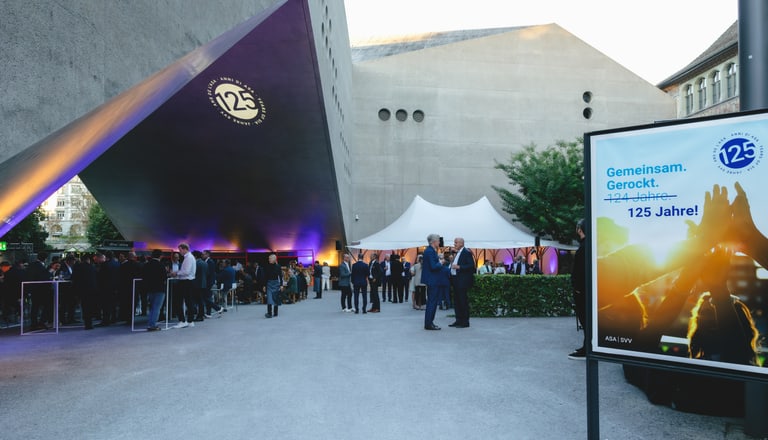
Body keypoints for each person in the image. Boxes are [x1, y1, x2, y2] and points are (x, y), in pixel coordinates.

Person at [422, 234, 448, 330]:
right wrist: (441, 262)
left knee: (432, 302)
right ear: (433, 242)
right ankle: (429, 323)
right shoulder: (430, 251)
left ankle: (429, 323)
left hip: (432, 280)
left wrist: (438, 258)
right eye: (438, 240)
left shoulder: (430, 251)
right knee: (432, 302)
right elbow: (433, 267)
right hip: (433, 280)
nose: (439, 242)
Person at [568, 219, 586, 359]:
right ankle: (588, 347)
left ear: (580, 229)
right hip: (584, 291)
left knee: (585, 321)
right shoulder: (589, 246)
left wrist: (578, 289)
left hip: (582, 293)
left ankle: (587, 349)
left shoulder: (583, 249)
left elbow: (580, 272)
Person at [450, 237, 475, 328]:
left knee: (462, 301)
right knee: (457, 301)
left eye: (456, 242)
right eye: (454, 242)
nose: (454, 244)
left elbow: (471, 266)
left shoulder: (466, 252)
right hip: (456, 280)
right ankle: (458, 320)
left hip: (462, 281)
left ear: (461, 243)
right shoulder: (458, 253)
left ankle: (465, 322)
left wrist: (459, 267)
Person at [171, 243, 196, 328]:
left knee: (178, 301)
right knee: (189, 302)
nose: (179, 252)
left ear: (185, 249)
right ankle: (190, 321)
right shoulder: (190, 257)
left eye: (180, 250)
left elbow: (186, 271)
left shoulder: (188, 258)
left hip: (185, 282)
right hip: (189, 281)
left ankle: (182, 321)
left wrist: (176, 273)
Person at [142, 249, 167, 331]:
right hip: (159, 289)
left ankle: (150, 323)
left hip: (150, 288)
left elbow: (144, 276)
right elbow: (164, 277)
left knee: (152, 307)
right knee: (157, 307)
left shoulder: (147, 265)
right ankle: (152, 325)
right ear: (160, 256)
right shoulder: (161, 265)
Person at [71, 254, 98, 330]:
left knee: (85, 306)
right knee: (90, 306)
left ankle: (87, 323)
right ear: (88, 260)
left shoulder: (77, 267)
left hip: (82, 290)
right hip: (92, 289)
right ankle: (89, 323)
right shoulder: (92, 267)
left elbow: (74, 278)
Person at [27, 252, 52, 330]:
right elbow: (43, 276)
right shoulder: (40, 266)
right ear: (45, 258)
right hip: (41, 289)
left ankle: (34, 323)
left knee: (35, 307)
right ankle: (41, 322)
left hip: (34, 289)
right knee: (47, 305)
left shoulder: (32, 265)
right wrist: (50, 272)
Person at [263, 254, 282, 318]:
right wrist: (264, 286)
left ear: (274, 259)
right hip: (269, 283)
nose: (269, 260)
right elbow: (265, 277)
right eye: (269, 258)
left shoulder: (278, 266)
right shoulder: (266, 266)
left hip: (276, 283)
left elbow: (280, 276)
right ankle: (269, 313)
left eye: (270, 258)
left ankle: (275, 312)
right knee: (269, 298)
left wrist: (281, 285)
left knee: (275, 298)